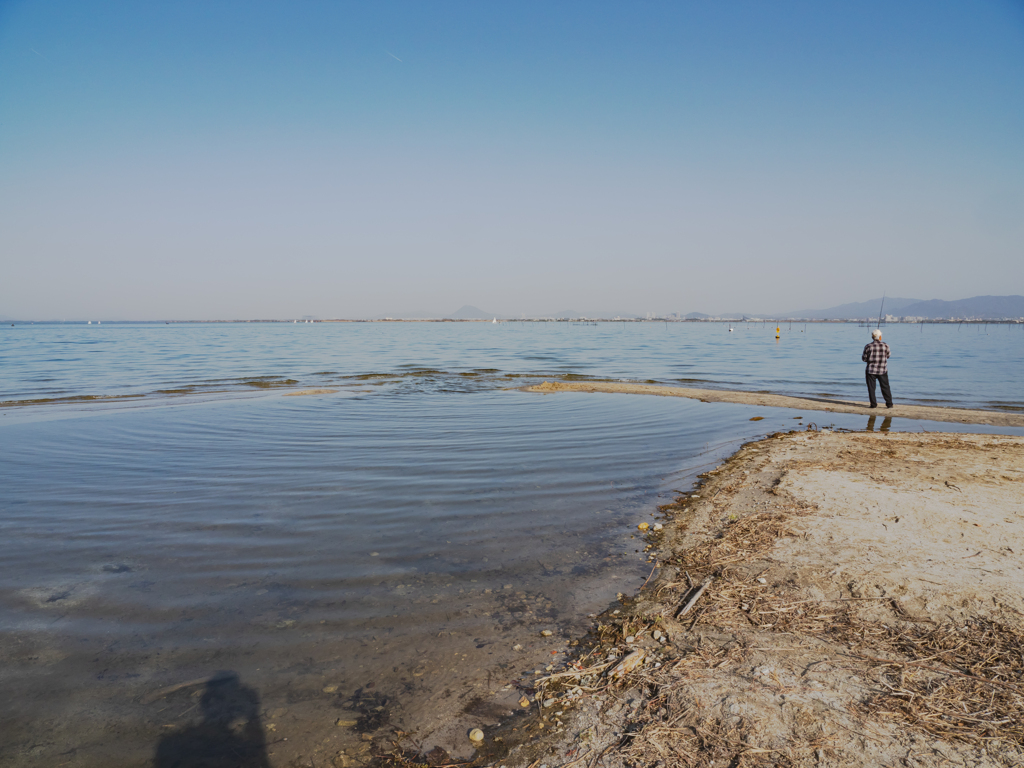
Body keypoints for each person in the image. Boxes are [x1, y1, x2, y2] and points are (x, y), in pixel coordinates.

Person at [862, 328, 892, 409]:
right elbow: (888, 356)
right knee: (885, 387)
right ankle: (889, 404)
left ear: (872, 337)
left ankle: (873, 404)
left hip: (870, 370)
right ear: (880, 337)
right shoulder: (886, 345)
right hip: (883, 370)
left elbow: (864, 359)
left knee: (871, 388)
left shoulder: (868, 346)